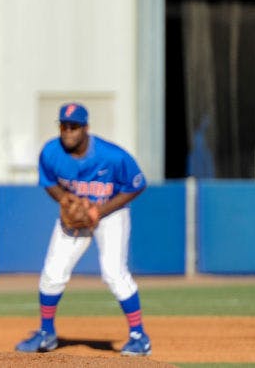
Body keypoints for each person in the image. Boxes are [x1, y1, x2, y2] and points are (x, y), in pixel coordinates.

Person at [15, 103, 152, 356]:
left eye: (74, 126)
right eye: (64, 126)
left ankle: (139, 336)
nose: (68, 131)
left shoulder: (112, 156)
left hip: (110, 212)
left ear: (86, 128)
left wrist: (98, 212)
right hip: (76, 215)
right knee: (53, 272)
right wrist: (65, 200)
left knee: (114, 272)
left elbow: (137, 184)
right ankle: (47, 333)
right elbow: (49, 183)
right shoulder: (50, 152)